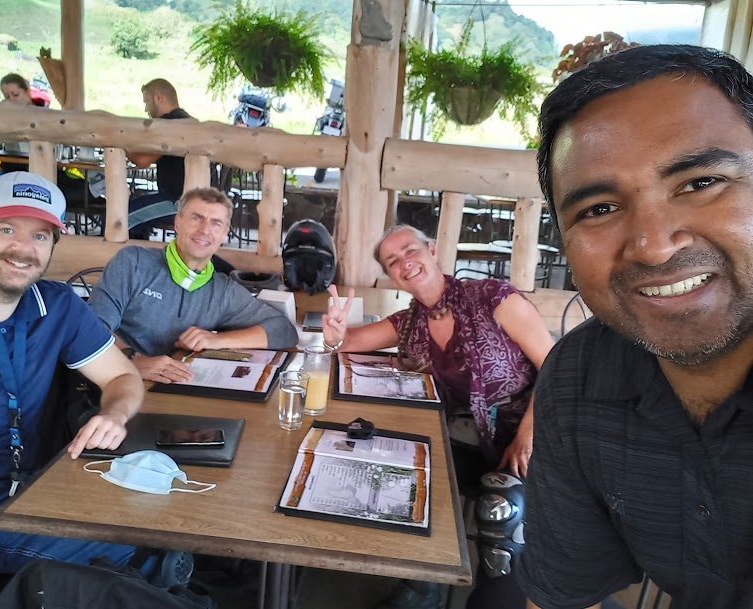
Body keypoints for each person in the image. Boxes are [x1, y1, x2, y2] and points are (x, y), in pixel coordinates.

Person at [516, 44, 753, 609]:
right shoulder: (580, 378)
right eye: (599, 209)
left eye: (701, 182)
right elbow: (562, 598)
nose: (652, 246)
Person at [0, 171, 145, 609]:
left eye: (40, 235)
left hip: (27, 500)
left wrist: (114, 414)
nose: (23, 248)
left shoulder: (57, 305)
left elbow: (123, 378)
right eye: (7, 230)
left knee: (137, 548)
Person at [323, 224, 554, 609]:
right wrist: (334, 334)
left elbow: (556, 367)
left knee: (502, 510)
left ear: (431, 250)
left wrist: (527, 435)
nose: (404, 263)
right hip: (468, 437)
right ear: (391, 275)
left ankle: (498, 599)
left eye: (410, 250)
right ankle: (422, 588)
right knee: (403, 476)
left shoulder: (493, 298)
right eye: (392, 261)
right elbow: (350, 342)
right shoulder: (410, 323)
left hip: (533, 431)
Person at [88, 187, 298, 384]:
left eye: (216, 223)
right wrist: (131, 359)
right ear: (178, 222)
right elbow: (91, 326)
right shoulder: (133, 262)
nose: (205, 229)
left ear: (225, 233)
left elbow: (283, 330)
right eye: (196, 218)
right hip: (111, 380)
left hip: (172, 388)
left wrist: (216, 340)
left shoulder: (223, 290)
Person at [0, 73, 104, 215]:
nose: (11, 100)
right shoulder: (4, 118)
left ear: (27, 91)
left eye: (15, 95)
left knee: (70, 188)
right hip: (19, 172)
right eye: (7, 97)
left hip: (50, 168)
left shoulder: (47, 115)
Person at [126, 78, 193, 239]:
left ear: (158, 97)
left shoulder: (169, 124)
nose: (146, 109)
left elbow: (142, 161)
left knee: (118, 218)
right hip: (182, 198)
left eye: (147, 102)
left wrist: (120, 146)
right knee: (133, 208)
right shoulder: (185, 119)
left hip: (178, 202)